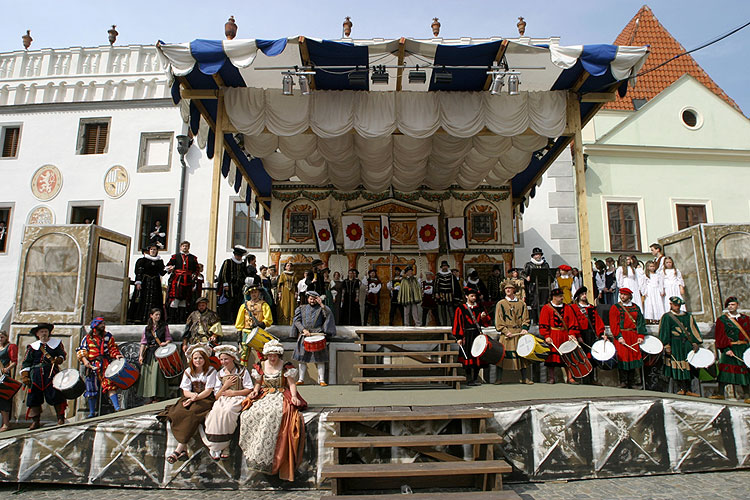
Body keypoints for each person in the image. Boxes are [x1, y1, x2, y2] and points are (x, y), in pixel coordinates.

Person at [239, 340, 307, 481]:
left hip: (280, 394)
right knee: (250, 414)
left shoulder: (286, 367)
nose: (272, 358)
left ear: (279, 355)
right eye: (270, 355)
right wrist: (254, 392)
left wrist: (294, 396)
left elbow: (291, 384)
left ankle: (269, 455)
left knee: (273, 413)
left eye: (274, 355)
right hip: (265, 394)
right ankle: (253, 450)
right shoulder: (261, 366)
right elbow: (258, 383)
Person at [157, 343, 217, 463]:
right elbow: (185, 390)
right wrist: (191, 396)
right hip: (192, 396)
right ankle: (183, 449)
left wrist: (195, 398)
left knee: (192, 414)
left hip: (205, 399)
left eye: (200, 358)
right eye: (195, 358)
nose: (198, 360)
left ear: (205, 359)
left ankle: (179, 449)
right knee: (177, 412)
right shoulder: (188, 371)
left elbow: (209, 390)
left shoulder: (211, 371)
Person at [201, 345, 253, 460]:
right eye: (221, 359)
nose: (223, 362)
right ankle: (215, 445)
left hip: (238, 397)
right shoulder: (219, 374)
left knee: (228, 412)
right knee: (215, 412)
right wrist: (225, 386)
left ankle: (226, 444)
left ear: (232, 358)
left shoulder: (242, 371)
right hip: (223, 398)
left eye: (226, 359)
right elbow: (217, 395)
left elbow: (249, 389)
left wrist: (233, 393)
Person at [20, 324, 66, 429]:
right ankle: (35, 421)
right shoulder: (32, 347)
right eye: (41, 332)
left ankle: (60, 418)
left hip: (51, 373)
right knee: (33, 398)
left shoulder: (56, 343)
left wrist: (58, 359)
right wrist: (25, 375)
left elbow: (62, 355)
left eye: (46, 331)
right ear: (37, 334)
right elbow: (26, 362)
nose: (44, 333)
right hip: (35, 375)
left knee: (56, 395)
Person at [77, 318, 124, 417]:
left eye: (104, 323)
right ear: (95, 325)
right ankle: (91, 412)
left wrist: (116, 355)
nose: (103, 325)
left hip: (105, 364)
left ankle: (117, 407)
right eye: (101, 323)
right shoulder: (87, 338)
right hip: (92, 365)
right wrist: (85, 361)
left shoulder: (108, 337)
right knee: (91, 388)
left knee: (110, 385)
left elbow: (112, 348)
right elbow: (82, 351)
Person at [659, 296, 702, 396]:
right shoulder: (667, 317)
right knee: (677, 366)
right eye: (675, 305)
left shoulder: (688, 316)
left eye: (678, 305)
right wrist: (666, 345)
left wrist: (695, 343)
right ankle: (680, 388)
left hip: (686, 344)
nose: (677, 307)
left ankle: (689, 389)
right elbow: (664, 332)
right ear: (670, 304)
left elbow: (693, 330)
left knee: (689, 366)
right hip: (675, 344)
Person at [292, 291, 336, 386]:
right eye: (310, 299)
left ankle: (322, 380)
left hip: (318, 335)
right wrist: (303, 330)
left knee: (320, 359)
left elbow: (328, 315)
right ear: (308, 299)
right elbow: (296, 321)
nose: (312, 301)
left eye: (314, 299)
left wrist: (322, 304)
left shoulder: (322, 308)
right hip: (305, 335)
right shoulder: (301, 308)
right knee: (302, 358)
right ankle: (301, 379)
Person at [539, 288, 581, 384]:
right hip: (553, 335)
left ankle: (570, 378)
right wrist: (546, 336)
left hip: (565, 335)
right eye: (560, 296)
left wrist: (572, 334)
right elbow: (543, 323)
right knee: (552, 358)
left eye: (562, 296)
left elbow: (572, 322)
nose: (562, 298)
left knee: (568, 356)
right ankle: (551, 378)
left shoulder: (568, 308)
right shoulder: (546, 308)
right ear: (554, 297)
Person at [712, 297, 750, 402]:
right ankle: (720, 393)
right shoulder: (722, 320)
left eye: (733, 304)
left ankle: (747, 395)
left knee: (745, 371)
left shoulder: (746, 319)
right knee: (725, 372)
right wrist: (726, 349)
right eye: (729, 305)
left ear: (737, 305)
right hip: (730, 348)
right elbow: (720, 336)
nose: (730, 306)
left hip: (743, 349)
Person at [452, 286, 491, 386]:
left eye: (475, 296)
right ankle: (469, 378)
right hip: (467, 335)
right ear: (466, 296)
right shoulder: (461, 308)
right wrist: (459, 337)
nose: (474, 298)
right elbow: (457, 323)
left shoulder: (480, 307)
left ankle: (475, 378)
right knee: (467, 356)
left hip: (477, 335)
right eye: (472, 296)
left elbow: (487, 323)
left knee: (478, 355)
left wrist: (483, 317)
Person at [494, 280, 532, 385]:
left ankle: (525, 378)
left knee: (522, 355)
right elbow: (499, 320)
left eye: (510, 288)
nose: (508, 290)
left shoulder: (521, 303)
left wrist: (524, 328)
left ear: (514, 289)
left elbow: (526, 318)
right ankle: (499, 378)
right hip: (507, 333)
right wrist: (505, 331)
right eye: (506, 288)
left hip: (519, 332)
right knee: (502, 356)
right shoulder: (501, 304)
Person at [609, 288, 646, 389]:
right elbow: (614, 324)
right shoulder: (615, 308)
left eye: (625, 295)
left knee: (633, 357)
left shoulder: (636, 308)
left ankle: (632, 381)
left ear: (629, 296)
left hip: (633, 335)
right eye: (621, 294)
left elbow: (640, 322)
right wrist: (619, 336)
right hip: (622, 335)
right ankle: (623, 381)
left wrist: (640, 336)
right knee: (623, 357)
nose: (622, 296)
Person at [137, 308, 172, 403]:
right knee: (148, 374)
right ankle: (149, 395)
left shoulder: (164, 326)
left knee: (157, 373)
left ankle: (158, 395)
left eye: (159, 315)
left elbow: (168, 338)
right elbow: (143, 343)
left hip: (159, 352)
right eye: (156, 315)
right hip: (149, 352)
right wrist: (141, 355)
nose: (158, 316)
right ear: (151, 316)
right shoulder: (147, 329)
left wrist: (165, 343)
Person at [571, 287, 605, 384]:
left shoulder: (591, 308)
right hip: (581, 334)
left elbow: (598, 322)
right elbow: (573, 322)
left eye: (585, 294)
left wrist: (601, 333)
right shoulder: (574, 308)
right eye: (582, 294)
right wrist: (576, 335)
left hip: (590, 334)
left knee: (591, 357)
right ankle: (583, 379)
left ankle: (592, 379)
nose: (584, 296)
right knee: (582, 357)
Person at [236, 282, 274, 366]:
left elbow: (268, 319)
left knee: (262, 353)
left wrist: (261, 324)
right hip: (246, 331)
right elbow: (240, 321)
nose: (253, 294)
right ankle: (243, 372)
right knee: (244, 354)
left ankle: (263, 372)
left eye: (255, 292)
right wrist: (239, 333)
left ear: (259, 293)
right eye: (252, 292)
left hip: (258, 331)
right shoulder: (244, 306)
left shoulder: (264, 305)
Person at [128, 244, 166, 324]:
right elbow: (138, 272)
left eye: (155, 249)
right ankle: (139, 318)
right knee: (142, 299)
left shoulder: (159, 261)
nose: (153, 251)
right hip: (145, 282)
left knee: (155, 300)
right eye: (151, 249)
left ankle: (154, 319)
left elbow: (162, 273)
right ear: (149, 250)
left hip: (155, 283)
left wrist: (167, 269)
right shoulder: (142, 260)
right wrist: (138, 282)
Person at [166, 241, 200, 323]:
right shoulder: (175, 257)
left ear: (189, 247)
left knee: (184, 300)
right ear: (181, 247)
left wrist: (194, 276)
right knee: (175, 299)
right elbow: (168, 265)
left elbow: (197, 269)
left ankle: (181, 319)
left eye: (187, 246)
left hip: (188, 281)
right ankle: (172, 319)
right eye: (183, 246)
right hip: (177, 280)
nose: (185, 248)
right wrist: (170, 268)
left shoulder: (193, 258)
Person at [217, 246, 248, 324]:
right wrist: (225, 284)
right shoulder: (228, 262)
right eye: (237, 255)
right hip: (230, 286)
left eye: (240, 256)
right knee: (229, 302)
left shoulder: (242, 264)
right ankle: (228, 319)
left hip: (239, 286)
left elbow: (244, 274)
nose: (239, 257)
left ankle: (236, 319)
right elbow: (223, 273)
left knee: (238, 303)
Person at [524, 248, 551, 321]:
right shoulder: (529, 265)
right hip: (534, 286)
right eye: (536, 255)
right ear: (533, 256)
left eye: (539, 254)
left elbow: (549, 274)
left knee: (544, 302)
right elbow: (523, 273)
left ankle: (544, 318)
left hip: (544, 286)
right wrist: (527, 277)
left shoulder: (545, 264)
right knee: (535, 303)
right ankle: (536, 320)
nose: (538, 256)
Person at [0, 330, 18, 432]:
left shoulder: (10, 347)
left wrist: (7, 369)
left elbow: (14, 361)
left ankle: (6, 424)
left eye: (2, 337)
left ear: (6, 337)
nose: (0, 339)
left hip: (4, 375)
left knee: (3, 399)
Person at [435, 261, 458, 326]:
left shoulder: (451, 275)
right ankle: (444, 326)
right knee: (443, 312)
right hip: (441, 295)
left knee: (451, 312)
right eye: (443, 266)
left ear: (447, 267)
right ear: (441, 267)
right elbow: (436, 285)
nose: (445, 267)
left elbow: (455, 286)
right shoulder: (438, 275)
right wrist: (436, 293)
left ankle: (453, 326)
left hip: (449, 295)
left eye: (446, 266)